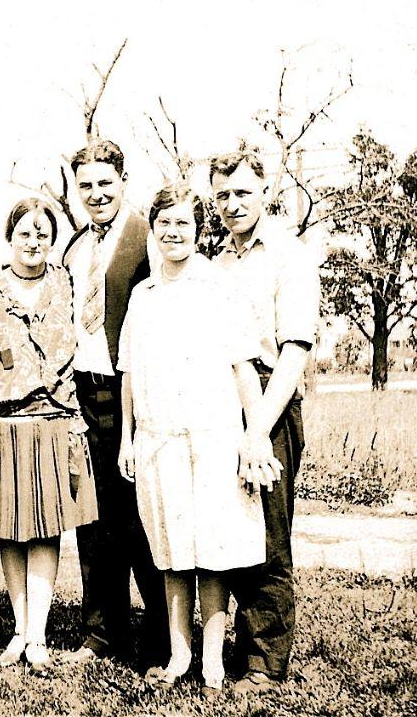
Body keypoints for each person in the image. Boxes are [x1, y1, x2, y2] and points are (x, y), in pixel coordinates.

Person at [116, 183, 271, 692]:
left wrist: (256, 436)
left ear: (198, 228)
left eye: (183, 222)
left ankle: (212, 659)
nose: (173, 232)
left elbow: (244, 368)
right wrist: (127, 439)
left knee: (212, 551)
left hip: (212, 437)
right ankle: (180, 654)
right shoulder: (144, 295)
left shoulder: (218, 287)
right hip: (157, 439)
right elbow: (130, 376)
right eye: (165, 223)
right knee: (172, 550)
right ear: (154, 230)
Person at [0, 198, 98, 671]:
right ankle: (20, 629)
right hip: (4, 426)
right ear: (9, 237)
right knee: (12, 530)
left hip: (55, 422)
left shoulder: (66, 283)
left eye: (42, 234)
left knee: (47, 530)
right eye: (25, 234)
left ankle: (37, 634)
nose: (34, 243)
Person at [209, 148, 321, 693]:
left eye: (243, 193)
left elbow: (294, 351)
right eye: (223, 195)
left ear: (266, 192)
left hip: (271, 407)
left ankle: (264, 660)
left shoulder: (288, 256)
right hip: (222, 404)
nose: (232, 204)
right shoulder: (219, 260)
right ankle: (226, 644)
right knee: (230, 527)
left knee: (269, 536)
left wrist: (257, 434)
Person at [61, 140, 170, 667]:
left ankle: (160, 639)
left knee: (141, 518)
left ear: (123, 180)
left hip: (132, 393)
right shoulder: (76, 247)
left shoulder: (148, 238)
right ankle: (101, 633)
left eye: (105, 182)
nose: (96, 193)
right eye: (86, 185)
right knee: (94, 520)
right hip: (82, 394)